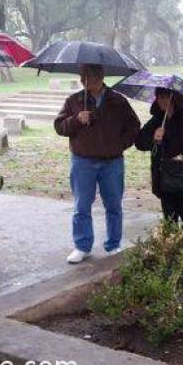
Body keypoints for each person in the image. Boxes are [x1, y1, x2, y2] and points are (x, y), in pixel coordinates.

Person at [54, 64, 140, 264]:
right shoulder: (74, 100)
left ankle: (113, 244)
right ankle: (82, 246)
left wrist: (119, 144)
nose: (84, 81)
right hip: (82, 161)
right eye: (82, 77)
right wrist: (76, 120)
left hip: (112, 162)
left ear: (101, 76)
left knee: (113, 204)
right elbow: (59, 126)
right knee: (81, 205)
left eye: (89, 77)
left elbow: (134, 126)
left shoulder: (117, 101)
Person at [135, 87, 183, 223]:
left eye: (165, 97)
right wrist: (154, 138)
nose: (161, 101)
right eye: (159, 97)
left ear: (174, 98)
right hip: (165, 177)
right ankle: (170, 243)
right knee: (169, 219)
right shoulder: (156, 119)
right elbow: (139, 143)